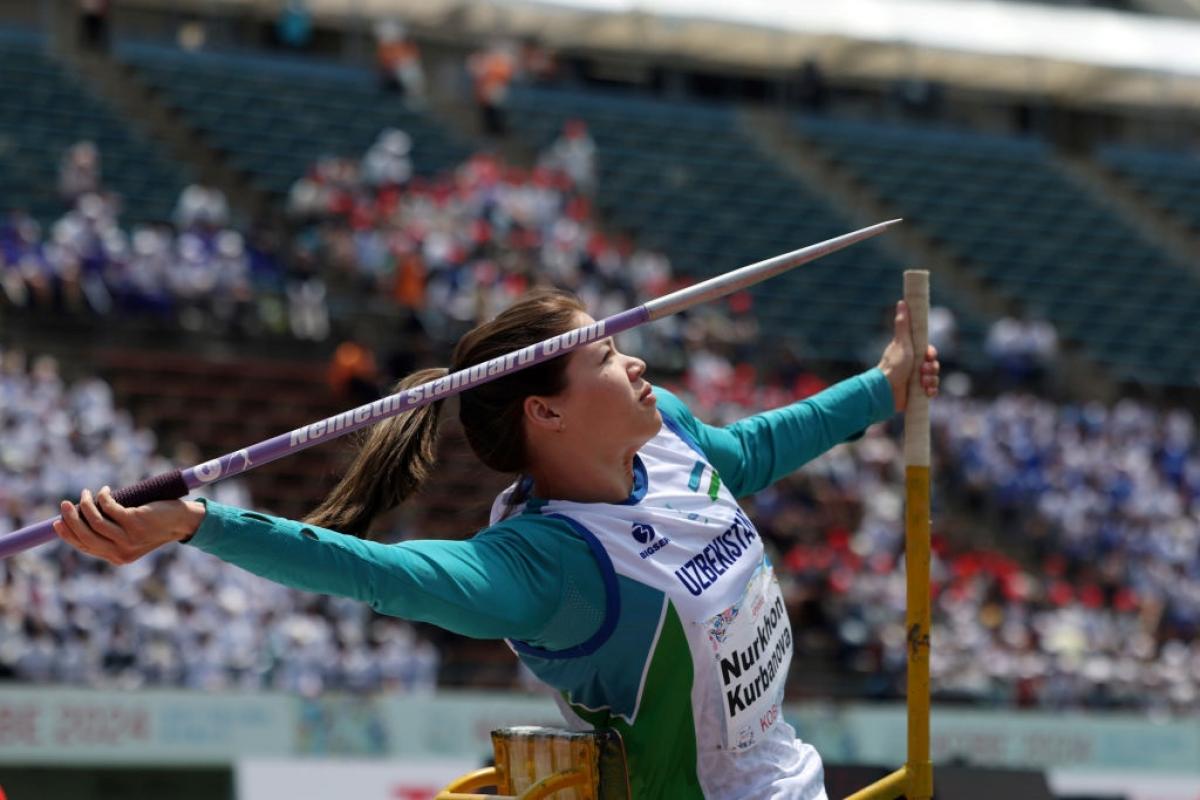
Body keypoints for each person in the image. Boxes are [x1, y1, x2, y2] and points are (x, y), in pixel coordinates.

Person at [55, 288, 939, 799]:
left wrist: (884, 385)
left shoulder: (664, 430)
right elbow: (377, 572)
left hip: (797, 780)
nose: (636, 362)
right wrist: (199, 523)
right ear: (543, 411)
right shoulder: (548, 568)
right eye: (604, 356)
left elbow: (758, 447)